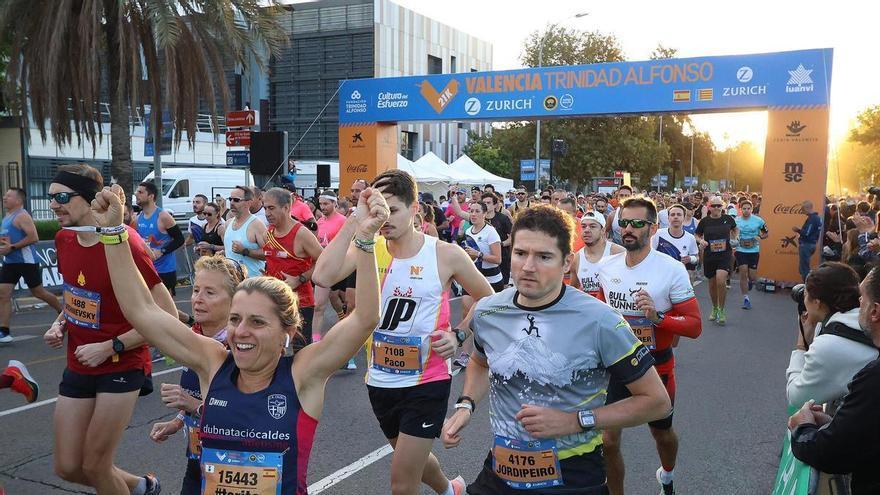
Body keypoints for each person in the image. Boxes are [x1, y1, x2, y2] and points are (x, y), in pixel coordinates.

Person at [92, 182, 389, 495]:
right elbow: (141, 311)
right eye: (235, 319)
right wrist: (113, 232)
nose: (241, 331)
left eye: (257, 322)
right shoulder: (213, 361)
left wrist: (366, 240)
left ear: (287, 333)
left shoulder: (304, 374)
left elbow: (365, 318)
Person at [441, 205, 672, 494]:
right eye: (521, 253)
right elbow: (480, 360)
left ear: (567, 263)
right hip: (502, 469)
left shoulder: (600, 320)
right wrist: (466, 405)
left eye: (544, 257)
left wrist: (574, 421)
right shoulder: (489, 310)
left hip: (572, 475)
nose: (528, 266)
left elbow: (657, 401)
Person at [312, 170, 493, 495]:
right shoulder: (369, 246)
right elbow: (323, 275)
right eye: (380, 209)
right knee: (415, 461)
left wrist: (460, 335)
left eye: (393, 210)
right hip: (380, 379)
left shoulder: (444, 253)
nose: (385, 218)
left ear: (414, 210)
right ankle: (452, 490)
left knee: (401, 482)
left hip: (428, 381)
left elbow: (488, 298)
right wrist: (356, 221)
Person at [44, 164, 177, 495]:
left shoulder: (125, 243)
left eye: (61, 197)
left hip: (122, 364)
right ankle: (144, 487)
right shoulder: (64, 238)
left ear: (90, 199)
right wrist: (60, 322)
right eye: (50, 198)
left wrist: (111, 346)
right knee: (68, 466)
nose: (54, 205)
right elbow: (77, 293)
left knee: (95, 465)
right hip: (79, 362)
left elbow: (167, 314)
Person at [597, 197, 702, 495]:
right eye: (624, 223)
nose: (628, 229)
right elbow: (601, 312)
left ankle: (667, 475)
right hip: (617, 363)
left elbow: (694, 326)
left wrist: (657, 317)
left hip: (656, 364)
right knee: (608, 441)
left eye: (637, 223)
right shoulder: (608, 268)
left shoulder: (670, 269)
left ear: (653, 228)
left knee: (662, 434)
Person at [148, 255, 244, 495]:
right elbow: (199, 393)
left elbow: (245, 415)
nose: (198, 299)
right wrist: (178, 420)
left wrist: (193, 405)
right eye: (196, 290)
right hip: (197, 457)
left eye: (210, 293)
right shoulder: (194, 338)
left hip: (232, 466)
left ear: (234, 301)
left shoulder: (240, 349)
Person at [788, 265, 880, 494]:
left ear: (875, 311)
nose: (857, 304)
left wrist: (803, 426)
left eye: (862, 299)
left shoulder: (873, 377)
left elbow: (832, 452)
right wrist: (834, 424)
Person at [786, 262, 877, 410]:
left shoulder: (829, 344)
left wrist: (801, 344)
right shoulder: (866, 321)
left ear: (816, 302)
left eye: (805, 295)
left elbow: (796, 397)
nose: (804, 300)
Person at [0, 187, 63, 343]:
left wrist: (12, 247)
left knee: (39, 293)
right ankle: (4, 332)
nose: (4, 197)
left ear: (18, 200)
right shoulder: (7, 216)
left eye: (8, 196)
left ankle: (63, 312)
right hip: (10, 262)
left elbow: (34, 237)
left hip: (26, 262)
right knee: (3, 294)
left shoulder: (22, 216)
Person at [263, 187, 323, 345]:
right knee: (272, 347)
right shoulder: (269, 232)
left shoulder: (301, 234)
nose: (267, 213)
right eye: (265, 208)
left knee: (300, 351)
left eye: (271, 208)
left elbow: (324, 261)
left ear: (286, 207)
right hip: (273, 301)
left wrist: (300, 278)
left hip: (300, 302)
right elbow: (270, 256)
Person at [136, 181, 185, 295]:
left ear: (151, 196)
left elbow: (179, 239)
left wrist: (161, 251)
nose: (137, 194)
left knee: (166, 309)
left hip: (165, 270)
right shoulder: (138, 218)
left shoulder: (163, 216)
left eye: (140, 192)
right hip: (148, 268)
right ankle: (186, 315)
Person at [695, 196, 738, 325]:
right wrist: (701, 241)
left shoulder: (728, 219)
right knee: (712, 284)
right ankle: (714, 307)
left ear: (723, 207)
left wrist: (736, 237)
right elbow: (697, 235)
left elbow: (735, 229)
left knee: (721, 280)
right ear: (709, 207)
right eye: (714, 206)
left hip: (725, 254)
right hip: (709, 255)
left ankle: (722, 309)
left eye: (719, 206)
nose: (716, 208)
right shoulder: (705, 221)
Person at [313, 192, 348, 344]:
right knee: (318, 306)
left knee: (342, 304)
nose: (323, 207)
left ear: (335, 204)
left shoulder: (343, 221)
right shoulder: (320, 221)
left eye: (326, 204)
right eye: (321, 204)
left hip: (341, 267)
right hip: (325, 267)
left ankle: (349, 349)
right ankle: (315, 342)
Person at [570, 211, 624, 297]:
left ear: (603, 230)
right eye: (583, 226)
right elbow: (573, 292)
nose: (587, 230)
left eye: (592, 226)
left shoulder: (618, 253)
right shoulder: (577, 258)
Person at [222, 185, 268, 278]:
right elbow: (231, 252)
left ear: (248, 202)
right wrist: (223, 254)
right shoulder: (228, 223)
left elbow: (269, 254)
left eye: (236, 200)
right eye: (230, 199)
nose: (231, 203)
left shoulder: (257, 225)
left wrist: (245, 251)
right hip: (232, 281)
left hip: (252, 283)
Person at [651, 204, 699, 284]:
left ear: (684, 218)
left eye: (679, 214)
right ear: (668, 218)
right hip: (660, 276)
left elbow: (696, 257)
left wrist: (690, 259)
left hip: (679, 277)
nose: (675, 217)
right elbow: (650, 254)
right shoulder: (658, 234)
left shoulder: (690, 238)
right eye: (672, 215)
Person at [733, 200, 768, 309]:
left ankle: (751, 281)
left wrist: (760, 237)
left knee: (752, 276)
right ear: (740, 209)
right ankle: (746, 299)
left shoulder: (758, 221)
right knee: (743, 273)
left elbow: (766, 233)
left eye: (748, 208)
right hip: (740, 250)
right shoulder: (736, 221)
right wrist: (735, 238)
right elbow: (732, 233)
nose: (746, 210)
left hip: (753, 251)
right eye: (744, 208)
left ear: (752, 209)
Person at [482, 193, 512, 286]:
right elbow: (460, 213)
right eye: (484, 203)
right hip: (484, 260)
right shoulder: (480, 219)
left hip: (502, 258)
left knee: (502, 287)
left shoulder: (503, 218)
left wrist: (500, 244)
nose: (486, 205)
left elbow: (513, 237)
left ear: (495, 205)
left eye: (488, 202)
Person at [794, 200, 822, 281]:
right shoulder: (817, 218)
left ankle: (807, 287)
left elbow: (807, 233)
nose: (801, 211)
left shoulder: (812, 219)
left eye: (802, 209)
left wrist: (798, 230)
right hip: (812, 244)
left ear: (806, 208)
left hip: (807, 244)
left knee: (804, 269)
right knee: (803, 268)